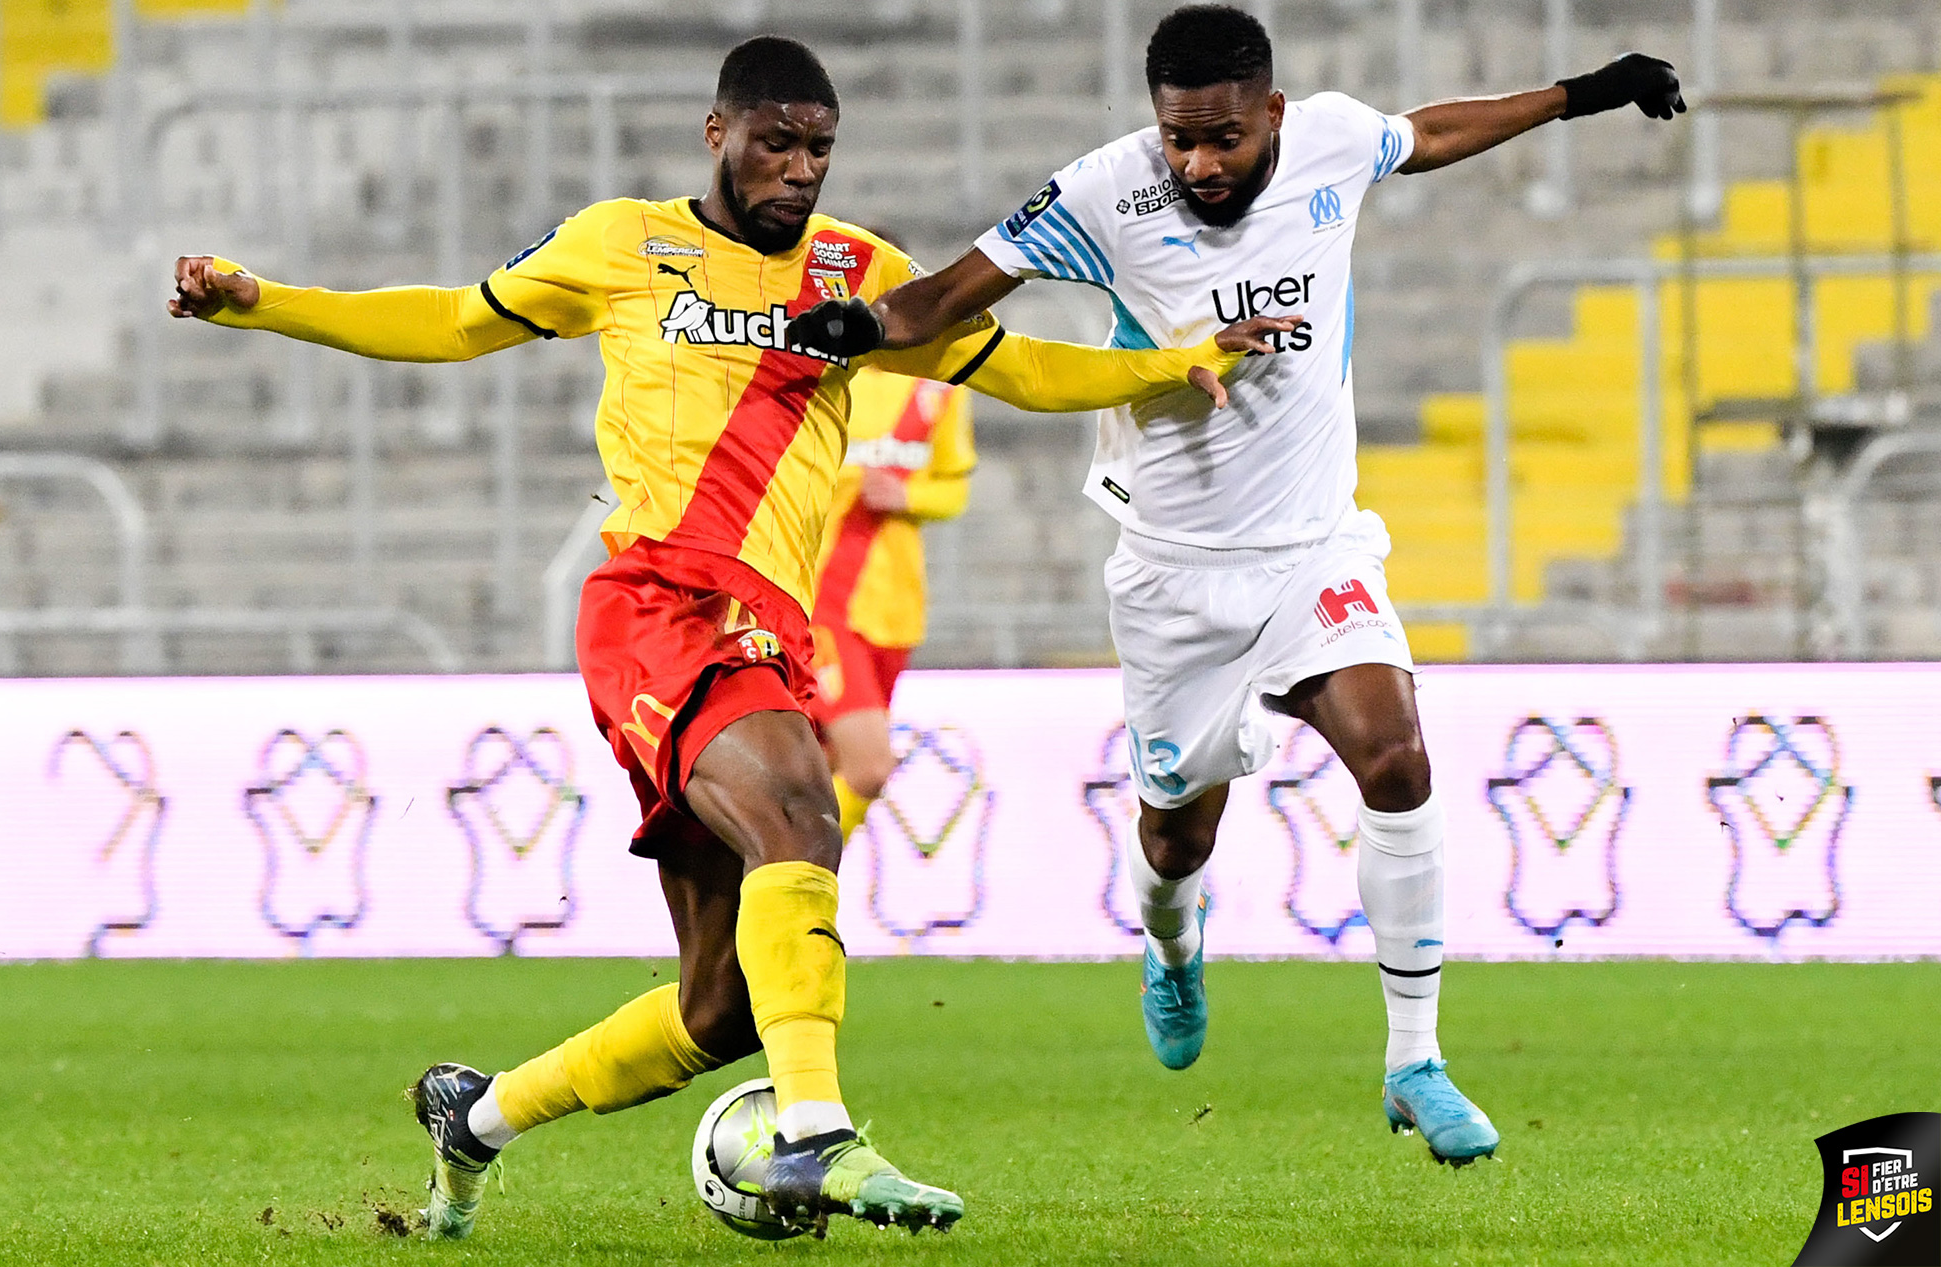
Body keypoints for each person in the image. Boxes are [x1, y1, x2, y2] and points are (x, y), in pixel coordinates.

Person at [167, 35, 1286, 1237]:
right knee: (803, 814)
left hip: (770, 635)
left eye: (817, 148)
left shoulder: (858, 271)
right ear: (718, 134)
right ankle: (816, 1135)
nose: (798, 170)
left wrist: (1172, 367)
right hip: (657, 606)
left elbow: (1011, 369)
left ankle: (477, 1116)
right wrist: (260, 304)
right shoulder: (620, 245)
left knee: (722, 1009)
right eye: (776, 143)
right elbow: (448, 320)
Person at [799, 4, 1685, 1165]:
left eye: (1220, 139)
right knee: (1173, 834)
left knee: (1397, 755)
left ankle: (1412, 1060)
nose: (1196, 165)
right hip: (1173, 572)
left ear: (1269, 112)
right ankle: (1171, 951)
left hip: (1315, 547)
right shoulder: (1103, 193)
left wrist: (1583, 89)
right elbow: (948, 294)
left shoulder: (1327, 140)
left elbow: (1429, 131)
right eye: (1177, 139)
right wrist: (853, 326)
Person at [811, 364, 975, 840]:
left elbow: (955, 492)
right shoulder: (827, 378)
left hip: (896, 609)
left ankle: (780, 894)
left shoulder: (940, 388)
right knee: (870, 768)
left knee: (826, 766)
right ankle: (801, 878)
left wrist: (907, 493)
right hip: (826, 603)